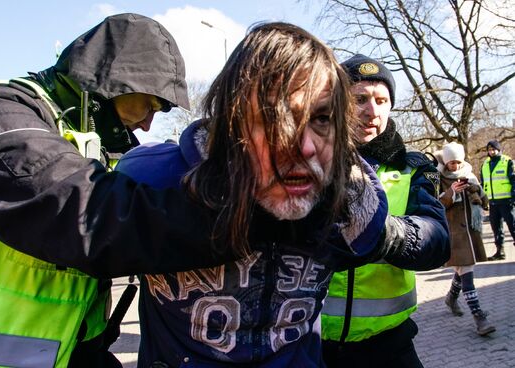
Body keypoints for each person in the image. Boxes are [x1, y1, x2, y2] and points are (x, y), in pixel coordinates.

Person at [0, 13, 322, 368]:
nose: (147, 125)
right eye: (147, 104)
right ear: (111, 82)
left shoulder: (78, 139)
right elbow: (93, 216)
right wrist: (266, 213)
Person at [114, 22, 416, 367]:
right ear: (231, 118)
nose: (303, 146)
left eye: (321, 119)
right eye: (278, 116)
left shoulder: (354, 206)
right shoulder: (151, 178)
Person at [320, 54, 450, 368]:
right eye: (359, 99)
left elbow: (439, 242)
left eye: (382, 100)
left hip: (389, 347)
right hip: (310, 347)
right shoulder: (308, 160)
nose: (371, 111)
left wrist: (383, 234)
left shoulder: (414, 167)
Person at [435, 142, 495, 336]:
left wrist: (476, 191)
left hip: (471, 232)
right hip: (454, 234)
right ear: (445, 161)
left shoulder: (469, 175)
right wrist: (452, 191)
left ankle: (451, 298)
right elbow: (436, 204)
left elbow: (485, 202)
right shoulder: (437, 177)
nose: (454, 166)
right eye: (451, 162)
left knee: (464, 268)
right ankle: (480, 318)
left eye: (457, 162)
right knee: (467, 275)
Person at [480, 140, 515, 260]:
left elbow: (514, 180)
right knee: (496, 228)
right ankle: (500, 252)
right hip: (493, 202)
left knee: (513, 226)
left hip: (507, 201)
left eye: (493, 149)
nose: (491, 151)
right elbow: (483, 184)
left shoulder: (507, 161)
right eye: (489, 150)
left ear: (499, 150)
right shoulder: (485, 164)